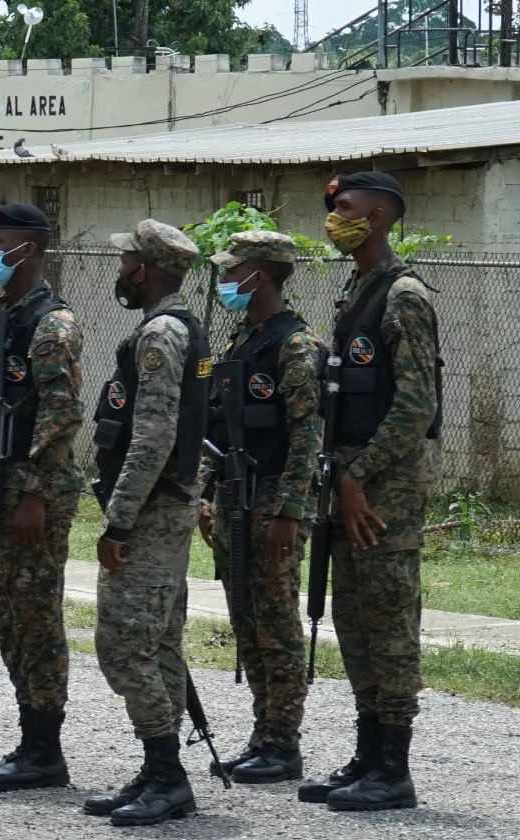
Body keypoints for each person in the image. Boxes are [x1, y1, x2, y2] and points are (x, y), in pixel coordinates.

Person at [299, 171, 438, 813]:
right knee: (352, 620)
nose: (335, 216)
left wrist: (358, 477)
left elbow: (416, 406)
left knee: (388, 625)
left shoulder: (404, 296)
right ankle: (367, 755)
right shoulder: (355, 291)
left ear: (380, 216)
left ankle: (395, 769)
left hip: (385, 495)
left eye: (346, 207)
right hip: (346, 484)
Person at [84, 219, 210, 826]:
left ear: (146, 269)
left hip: (153, 512)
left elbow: (153, 434)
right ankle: (157, 768)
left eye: (126, 260)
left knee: (123, 647)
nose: (120, 271)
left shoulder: (161, 331)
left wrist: (118, 521)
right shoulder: (176, 325)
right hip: (166, 506)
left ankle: (168, 775)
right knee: (158, 643)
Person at [0, 203, 87, 793]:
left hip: (31, 490)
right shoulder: (1, 317)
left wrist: (34, 491)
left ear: (30, 249)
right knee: (4, 613)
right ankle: (29, 735)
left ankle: (45, 746)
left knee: (35, 615)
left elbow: (62, 414)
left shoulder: (50, 323)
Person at [197, 230, 323, 785]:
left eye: (233, 271)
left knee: (276, 626)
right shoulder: (241, 343)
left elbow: (308, 436)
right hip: (233, 497)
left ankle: (283, 742)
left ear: (260, 276)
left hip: (272, 501)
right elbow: (218, 428)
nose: (225, 281)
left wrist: (291, 512)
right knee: (246, 619)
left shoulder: (294, 346)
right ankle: (261, 733)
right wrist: (205, 492)